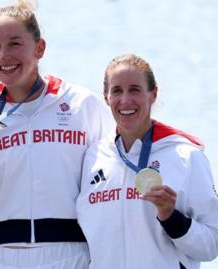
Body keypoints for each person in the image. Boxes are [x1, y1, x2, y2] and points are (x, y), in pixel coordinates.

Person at [0, 1, 114, 268]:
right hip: (3, 258)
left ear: (40, 48)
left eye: (14, 43)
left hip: (72, 256)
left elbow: (111, 183)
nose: (3, 56)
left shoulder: (82, 105)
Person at [76, 54, 218, 268]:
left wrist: (171, 218)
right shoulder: (93, 156)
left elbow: (211, 245)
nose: (125, 100)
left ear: (153, 94)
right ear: (106, 97)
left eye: (135, 89)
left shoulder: (185, 156)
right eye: (116, 91)